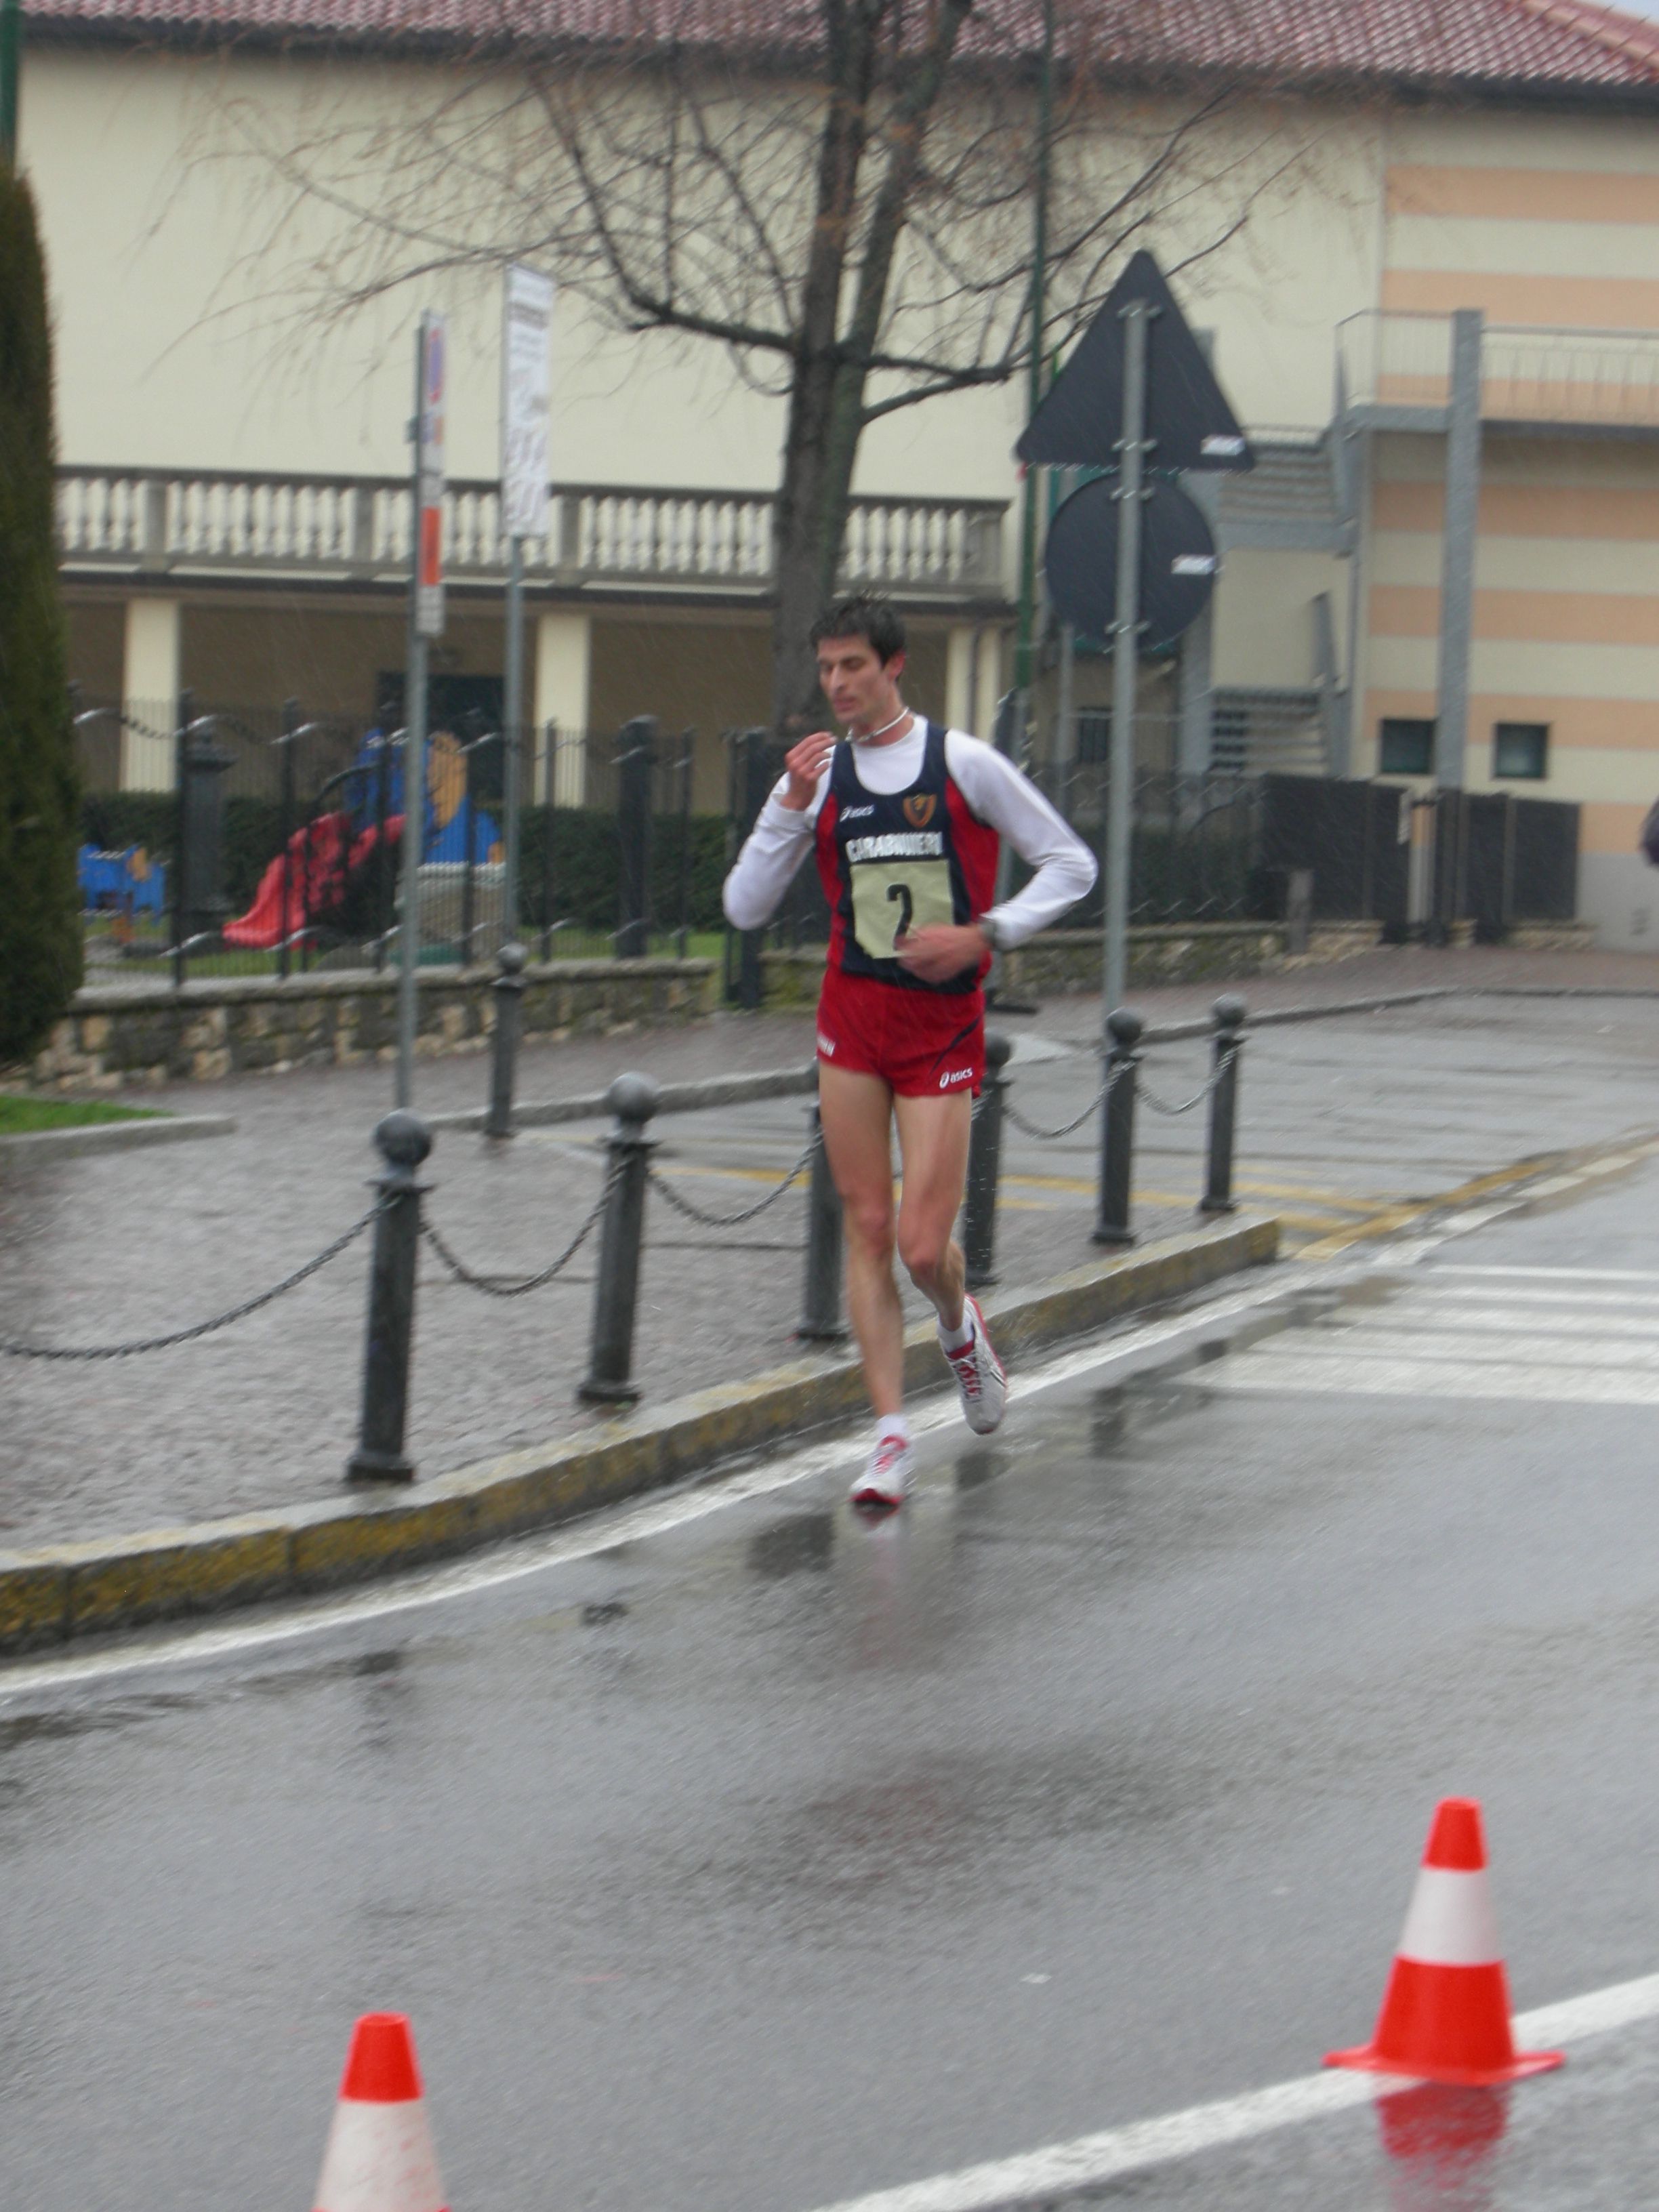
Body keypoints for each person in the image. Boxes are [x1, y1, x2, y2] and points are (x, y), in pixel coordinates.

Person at [723, 594, 1097, 1507]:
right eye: (826, 669)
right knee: (867, 1226)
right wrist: (789, 810)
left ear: (894, 666)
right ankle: (890, 1438)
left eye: (853, 665)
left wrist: (986, 933)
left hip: (940, 1024)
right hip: (852, 1017)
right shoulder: (815, 779)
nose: (838, 683)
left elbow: (1071, 865)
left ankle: (960, 1331)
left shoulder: (962, 762)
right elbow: (743, 908)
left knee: (924, 1248)